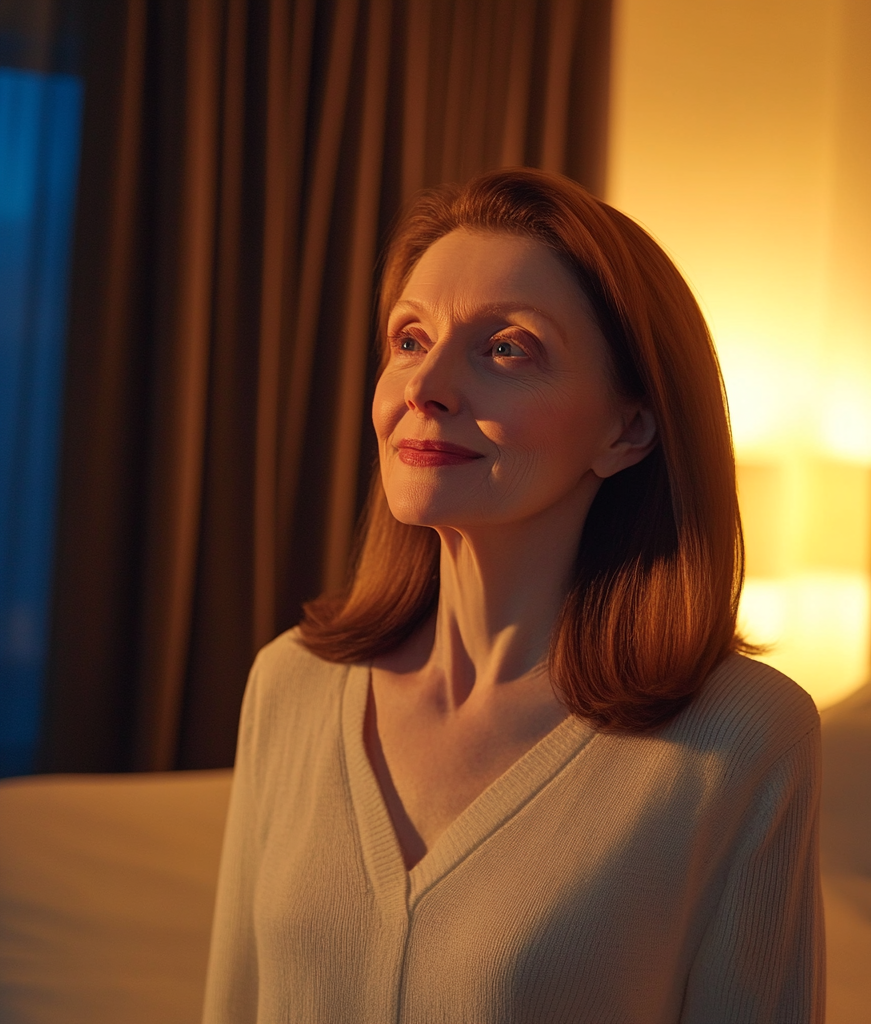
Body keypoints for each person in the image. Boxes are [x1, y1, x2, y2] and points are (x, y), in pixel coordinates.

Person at [202, 168, 824, 1024]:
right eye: (410, 339)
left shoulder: (743, 739)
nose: (424, 389)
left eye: (506, 348)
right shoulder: (291, 681)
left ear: (627, 429)